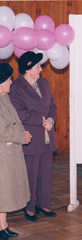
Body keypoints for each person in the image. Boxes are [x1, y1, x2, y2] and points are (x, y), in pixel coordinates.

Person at [9, 51, 58, 222]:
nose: (41, 70)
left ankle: (43, 205)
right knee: (31, 174)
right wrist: (42, 120)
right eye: (38, 67)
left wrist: (51, 119)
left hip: (47, 137)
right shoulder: (16, 87)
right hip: (30, 138)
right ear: (28, 68)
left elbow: (52, 105)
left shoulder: (43, 83)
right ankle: (29, 208)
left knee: (45, 174)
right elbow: (19, 113)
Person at [0, 63, 32, 240]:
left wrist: (22, 134)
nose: (12, 82)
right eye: (9, 79)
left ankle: (3, 227)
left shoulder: (4, 97)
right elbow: (2, 131)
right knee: (2, 192)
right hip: (2, 155)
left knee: (3, 194)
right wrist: (21, 137)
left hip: (8, 153)